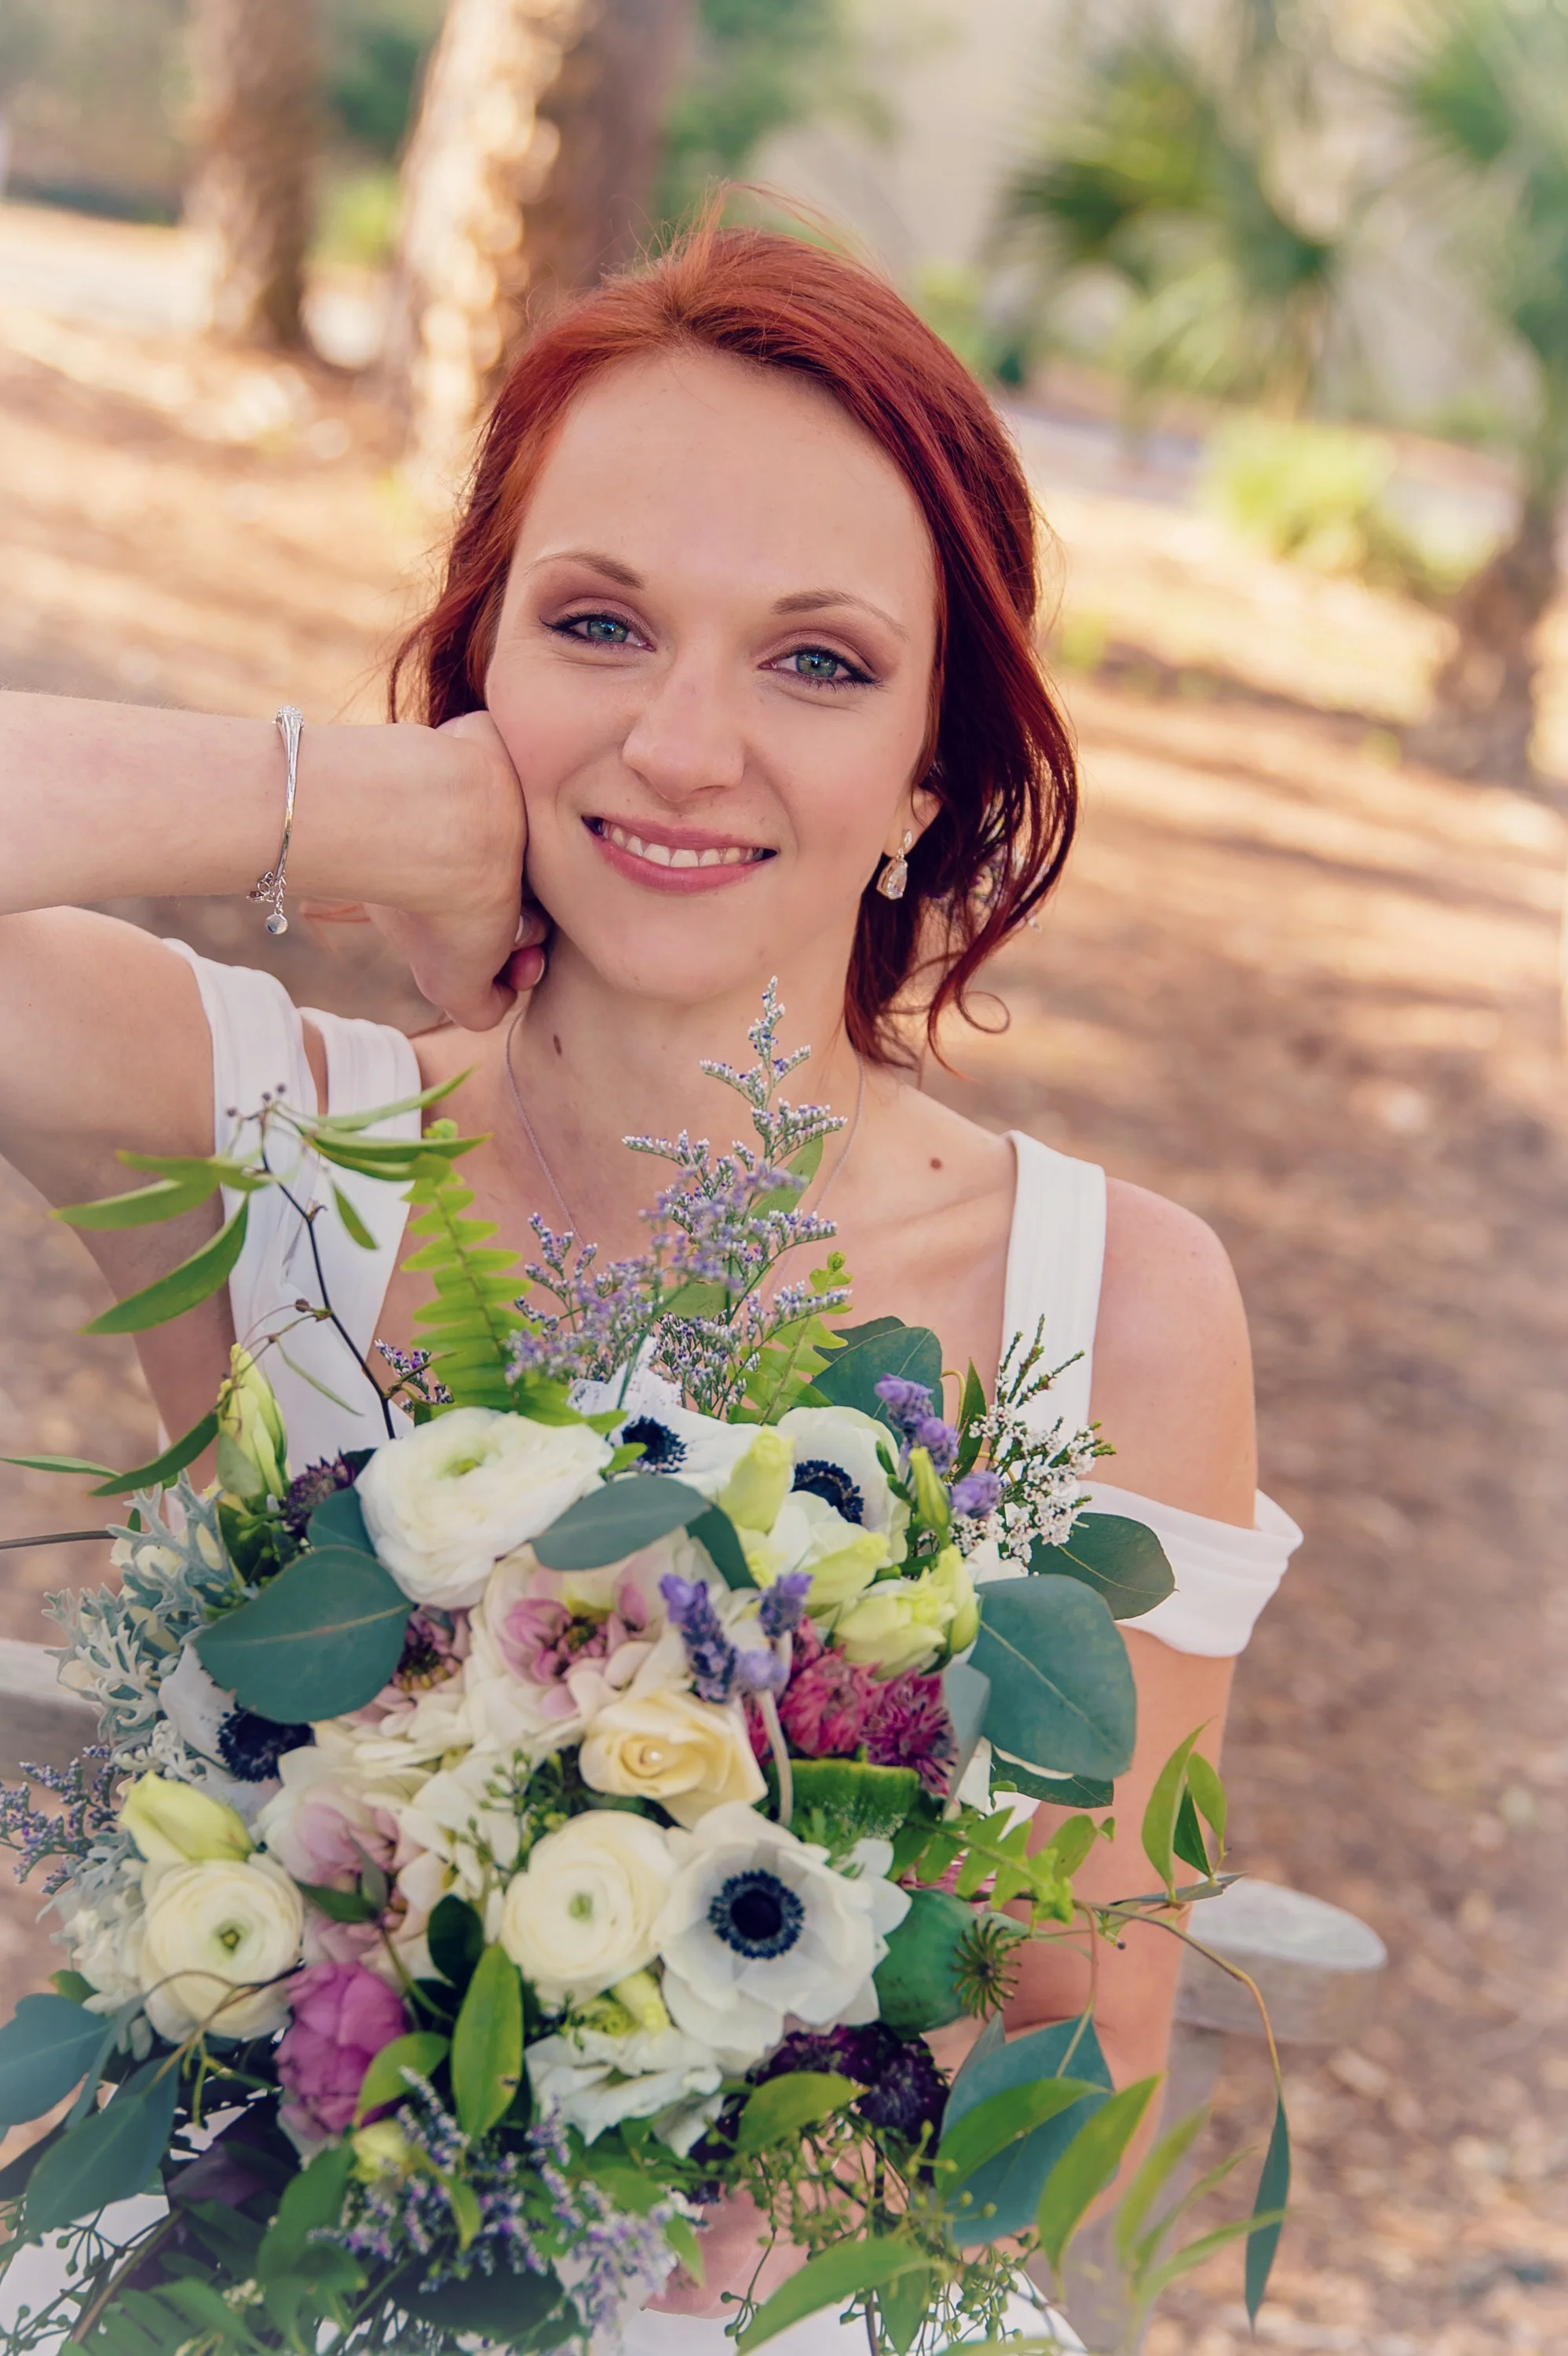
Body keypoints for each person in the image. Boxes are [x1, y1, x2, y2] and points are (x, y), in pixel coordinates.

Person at [0, 220, 1299, 2350]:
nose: (684, 746)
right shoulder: (260, 1138)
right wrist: (365, 808)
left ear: (935, 777)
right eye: (597, 623)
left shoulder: (1109, 1303)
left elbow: (1081, 2042)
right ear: (480, 654)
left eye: (816, 662)